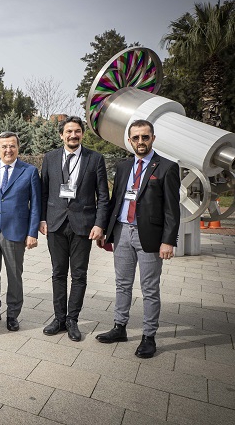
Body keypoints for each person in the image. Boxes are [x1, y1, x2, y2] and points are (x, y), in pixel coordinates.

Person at [95, 119, 180, 358]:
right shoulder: (123, 167)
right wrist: (105, 230)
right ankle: (119, 327)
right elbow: (115, 202)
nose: (140, 142)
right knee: (122, 284)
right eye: (136, 138)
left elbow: (172, 209)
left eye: (145, 137)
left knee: (150, 289)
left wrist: (168, 241)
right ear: (129, 140)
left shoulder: (166, 167)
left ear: (152, 138)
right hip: (122, 232)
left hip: (149, 237)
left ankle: (148, 336)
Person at [39, 116, 109, 341]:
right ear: (61, 135)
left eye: (77, 131)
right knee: (58, 273)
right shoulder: (49, 158)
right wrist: (41, 219)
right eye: (69, 131)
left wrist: (100, 224)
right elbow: (43, 192)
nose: (73, 135)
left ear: (82, 134)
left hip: (83, 225)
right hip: (56, 223)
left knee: (79, 275)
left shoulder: (94, 158)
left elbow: (103, 196)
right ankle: (59, 318)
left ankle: (72, 320)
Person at [0, 131, 41, 331]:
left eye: (12, 146)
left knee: (14, 274)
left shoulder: (29, 171)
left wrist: (32, 233)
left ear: (18, 148)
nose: (8, 150)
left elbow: (36, 204)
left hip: (15, 230)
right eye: (4, 146)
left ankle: (13, 315)